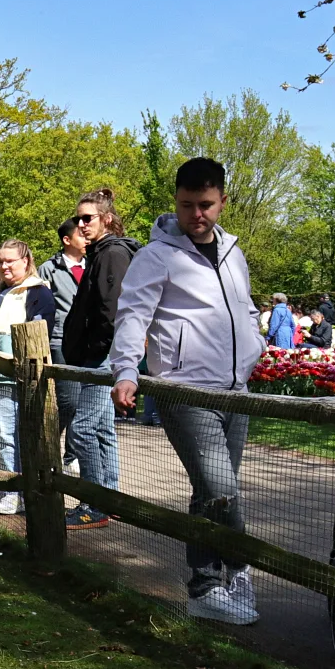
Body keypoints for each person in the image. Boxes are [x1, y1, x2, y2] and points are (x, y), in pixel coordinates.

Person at [108, 156, 265, 626]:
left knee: (211, 493)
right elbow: (132, 316)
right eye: (187, 205)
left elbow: (246, 309)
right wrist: (126, 371)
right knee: (222, 489)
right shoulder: (156, 256)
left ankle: (206, 587)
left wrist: (254, 348)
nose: (196, 214)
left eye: (206, 205)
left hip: (235, 391)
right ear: (175, 201)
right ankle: (239, 569)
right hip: (185, 390)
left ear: (222, 201)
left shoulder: (233, 253)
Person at [61, 189, 139, 528]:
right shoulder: (100, 253)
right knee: (103, 430)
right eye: (78, 218)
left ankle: (94, 505)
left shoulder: (112, 254)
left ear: (106, 219)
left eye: (87, 218)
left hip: (101, 357)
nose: (81, 224)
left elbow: (112, 310)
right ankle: (109, 498)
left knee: (81, 430)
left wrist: (98, 351)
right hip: (97, 356)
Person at [0, 240, 53, 517]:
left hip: (8, 374)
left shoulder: (37, 293)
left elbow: (38, 333)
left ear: (25, 261)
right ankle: (7, 485)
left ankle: (17, 492)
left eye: (10, 261)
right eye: (0, 261)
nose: (3, 266)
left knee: (7, 432)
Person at [39, 219, 88, 481]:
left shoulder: (94, 264)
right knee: (69, 400)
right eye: (80, 234)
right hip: (60, 340)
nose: (86, 237)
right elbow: (42, 307)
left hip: (89, 342)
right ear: (67, 240)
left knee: (85, 401)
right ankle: (47, 448)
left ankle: (71, 455)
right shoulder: (49, 269)